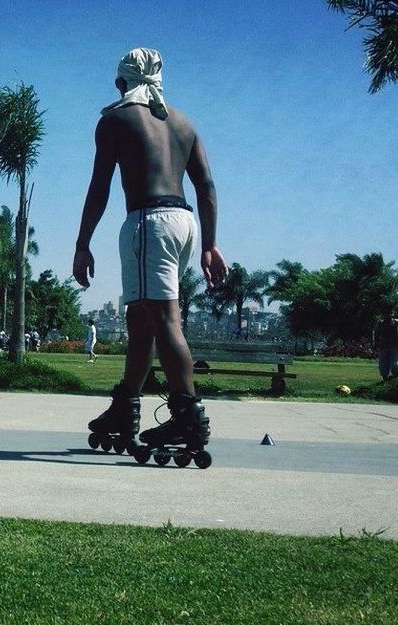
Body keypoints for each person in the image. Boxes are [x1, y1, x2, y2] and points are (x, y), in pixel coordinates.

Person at [74, 48, 227, 451]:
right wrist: (210, 244)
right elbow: (206, 187)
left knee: (164, 320)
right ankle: (126, 406)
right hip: (184, 221)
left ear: (122, 81)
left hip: (149, 221)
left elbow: (100, 186)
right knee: (140, 321)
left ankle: (187, 418)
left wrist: (82, 243)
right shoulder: (182, 122)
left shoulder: (116, 119)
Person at [373, 308, 398, 380]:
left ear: (393, 314)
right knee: (383, 366)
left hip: (394, 346)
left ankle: (395, 380)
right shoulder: (380, 323)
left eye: (390, 313)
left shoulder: (396, 322)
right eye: (386, 313)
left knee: (394, 365)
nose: (388, 315)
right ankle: (385, 380)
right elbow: (376, 333)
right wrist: (375, 343)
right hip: (383, 346)